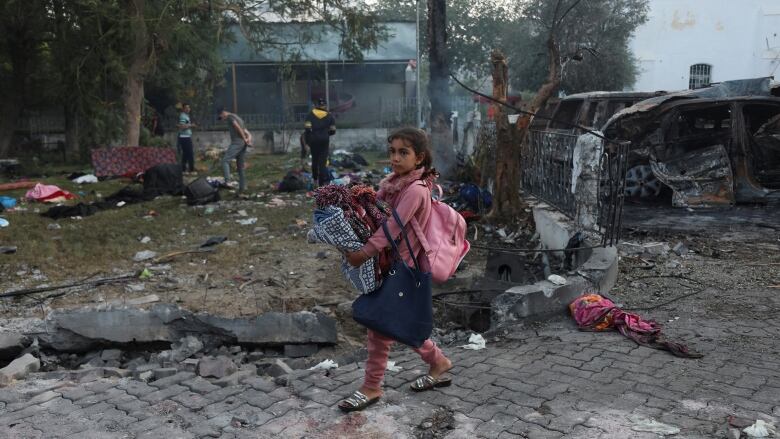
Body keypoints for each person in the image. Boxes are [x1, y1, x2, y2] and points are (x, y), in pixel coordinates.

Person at [338, 127, 453, 413]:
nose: (396, 158)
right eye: (392, 152)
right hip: (392, 265)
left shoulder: (414, 190)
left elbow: (393, 227)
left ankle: (372, 386)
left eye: (404, 152)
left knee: (381, 325)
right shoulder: (393, 184)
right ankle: (437, 362)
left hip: (405, 268)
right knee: (392, 323)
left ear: (419, 158)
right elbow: (376, 214)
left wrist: (364, 252)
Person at [217, 107, 252, 192]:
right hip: (243, 144)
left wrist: (244, 138)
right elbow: (248, 132)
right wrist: (248, 140)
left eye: (221, 117)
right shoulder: (237, 117)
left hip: (237, 142)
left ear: (223, 113)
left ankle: (227, 181)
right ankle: (243, 188)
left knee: (225, 161)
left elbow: (237, 127)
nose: (223, 120)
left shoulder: (230, 117)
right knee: (240, 166)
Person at [303, 98, 336, 187]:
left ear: (316, 105)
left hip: (313, 141)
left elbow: (307, 129)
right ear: (325, 105)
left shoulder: (310, 115)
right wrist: (325, 134)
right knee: (322, 163)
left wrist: (307, 142)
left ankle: (315, 181)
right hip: (324, 141)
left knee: (315, 160)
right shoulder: (329, 116)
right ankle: (322, 184)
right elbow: (333, 131)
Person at [178, 104, 197, 174]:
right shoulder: (183, 116)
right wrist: (191, 125)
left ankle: (183, 170)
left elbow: (185, 125)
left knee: (185, 154)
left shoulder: (186, 116)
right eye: (186, 108)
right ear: (183, 109)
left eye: (189, 107)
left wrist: (190, 126)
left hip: (186, 136)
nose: (188, 109)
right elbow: (182, 127)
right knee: (190, 153)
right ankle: (191, 170)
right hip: (184, 137)